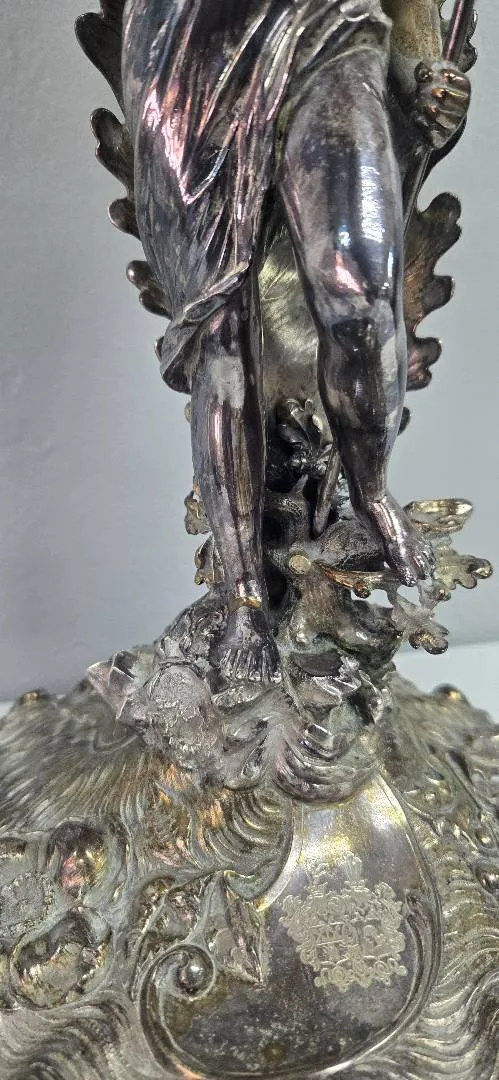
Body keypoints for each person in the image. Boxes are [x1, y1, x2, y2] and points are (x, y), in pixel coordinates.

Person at [122, 0, 471, 682]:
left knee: (360, 299)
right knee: (223, 340)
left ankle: (371, 492)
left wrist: (423, 68)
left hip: (335, 33)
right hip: (196, 54)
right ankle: (244, 595)